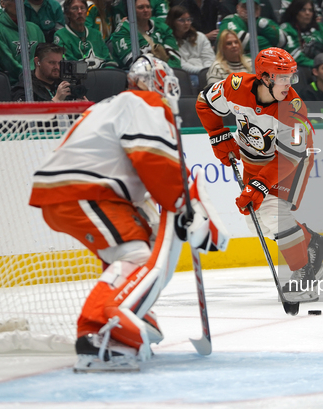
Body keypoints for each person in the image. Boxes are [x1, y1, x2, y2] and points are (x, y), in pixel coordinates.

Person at [28, 54, 229, 368]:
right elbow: (153, 160)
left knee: (138, 244)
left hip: (76, 190)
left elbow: (142, 169)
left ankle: (131, 310)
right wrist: (183, 206)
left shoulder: (113, 104)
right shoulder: (144, 103)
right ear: (149, 83)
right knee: (139, 257)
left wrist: (179, 203)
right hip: (85, 191)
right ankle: (99, 332)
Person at [196, 47, 323, 301]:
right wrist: (217, 135)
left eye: (291, 77)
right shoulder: (234, 86)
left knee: (272, 209)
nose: (289, 84)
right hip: (254, 160)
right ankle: (314, 244)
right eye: (282, 77)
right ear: (264, 77)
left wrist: (261, 185)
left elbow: (290, 156)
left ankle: (304, 274)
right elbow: (204, 102)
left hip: (291, 160)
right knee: (255, 221)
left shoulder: (292, 107)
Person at [110, 0, 181, 69]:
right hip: (136, 76)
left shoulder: (162, 27)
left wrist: (165, 70)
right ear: (131, 10)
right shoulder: (122, 32)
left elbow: (175, 59)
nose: (146, 10)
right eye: (141, 7)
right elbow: (134, 64)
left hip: (166, 73)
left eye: (148, 7)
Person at [0, 0, 44, 86]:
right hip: (14, 84)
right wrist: (31, 75)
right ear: (2, 3)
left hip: (40, 82)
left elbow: (44, 56)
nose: (19, 3)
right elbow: (8, 62)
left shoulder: (35, 28)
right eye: (13, 0)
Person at [54, 0, 117, 70]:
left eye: (82, 8)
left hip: (102, 77)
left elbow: (109, 60)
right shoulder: (61, 35)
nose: (80, 12)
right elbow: (68, 65)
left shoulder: (96, 34)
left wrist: (107, 72)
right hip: (78, 79)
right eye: (75, 8)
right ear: (67, 14)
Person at [11, 42, 84, 101]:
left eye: (59, 63)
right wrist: (56, 101)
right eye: (52, 63)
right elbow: (26, 116)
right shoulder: (25, 89)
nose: (57, 67)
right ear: (37, 62)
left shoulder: (64, 83)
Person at [280, 0, 323, 68]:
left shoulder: (322, 28)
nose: (307, 13)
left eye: (310, 10)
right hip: (301, 70)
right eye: (303, 10)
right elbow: (295, 58)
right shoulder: (286, 29)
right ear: (295, 12)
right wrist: (319, 65)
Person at [218, 0, 287, 54]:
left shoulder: (263, 22)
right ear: (238, 7)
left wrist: (261, 25)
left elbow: (282, 40)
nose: (249, 10)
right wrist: (270, 45)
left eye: (254, 7)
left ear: (259, 10)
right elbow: (240, 41)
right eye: (245, 6)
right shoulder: (229, 20)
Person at [166, 5, 215, 89]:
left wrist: (207, 72)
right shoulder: (169, 42)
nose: (186, 23)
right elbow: (182, 65)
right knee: (195, 82)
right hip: (186, 75)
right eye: (181, 20)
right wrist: (203, 72)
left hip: (206, 72)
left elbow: (209, 58)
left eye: (189, 20)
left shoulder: (200, 37)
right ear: (172, 22)